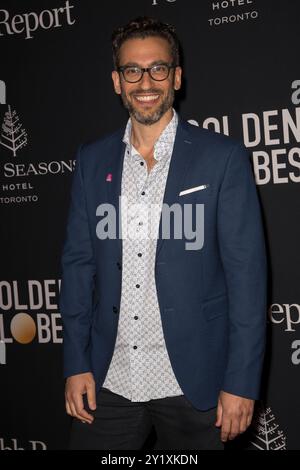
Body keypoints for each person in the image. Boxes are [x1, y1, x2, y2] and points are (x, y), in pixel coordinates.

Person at [59, 16, 267, 450]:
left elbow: (247, 278)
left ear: (176, 76)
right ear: (117, 81)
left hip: (197, 382)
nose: (145, 81)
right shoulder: (92, 161)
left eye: (157, 68)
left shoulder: (222, 159)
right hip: (109, 379)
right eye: (132, 70)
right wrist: (75, 362)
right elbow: (78, 269)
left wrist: (242, 382)